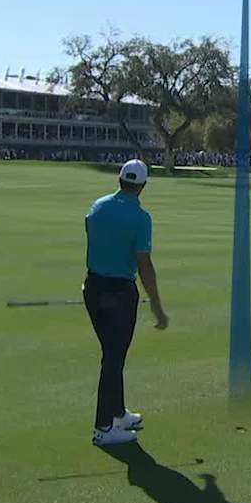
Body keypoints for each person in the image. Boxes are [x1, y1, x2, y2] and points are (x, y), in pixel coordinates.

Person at [83, 159, 169, 446]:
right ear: (142, 186)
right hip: (119, 293)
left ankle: (118, 413)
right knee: (113, 358)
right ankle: (104, 428)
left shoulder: (98, 206)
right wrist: (156, 304)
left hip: (93, 287)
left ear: (120, 179)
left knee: (113, 354)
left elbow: (90, 229)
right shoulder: (141, 218)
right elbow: (144, 265)